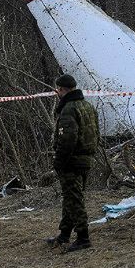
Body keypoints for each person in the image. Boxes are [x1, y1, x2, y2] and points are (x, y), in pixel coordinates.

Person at [46, 74, 99, 252]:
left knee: (74, 199)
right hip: (85, 159)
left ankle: (83, 237)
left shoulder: (69, 109)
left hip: (72, 161)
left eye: (57, 90)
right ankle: (64, 234)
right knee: (70, 197)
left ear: (61, 90)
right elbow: (96, 134)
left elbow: (67, 139)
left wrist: (59, 161)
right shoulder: (87, 106)